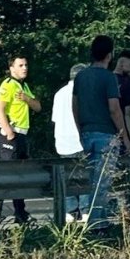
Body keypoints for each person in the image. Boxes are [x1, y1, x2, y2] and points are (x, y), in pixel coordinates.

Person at [73, 36, 130, 229]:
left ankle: (102, 221)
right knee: (102, 183)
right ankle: (96, 225)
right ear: (109, 55)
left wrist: (80, 128)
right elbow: (114, 109)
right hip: (106, 134)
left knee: (93, 181)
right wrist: (124, 136)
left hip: (86, 132)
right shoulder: (108, 77)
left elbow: (75, 105)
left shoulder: (81, 76)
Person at [0, 56, 42, 224]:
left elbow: (38, 107)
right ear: (12, 68)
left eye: (26, 65)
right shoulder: (8, 85)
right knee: (7, 173)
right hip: (10, 134)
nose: (24, 68)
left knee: (19, 175)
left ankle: (20, 213)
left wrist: (27, 99)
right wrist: (9, 132)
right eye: (20, 65)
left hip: (22, 135)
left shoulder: (24, 86)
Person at [53, 63, 88, 223]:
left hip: (63, 142)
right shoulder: (84, 92)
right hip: (80, 141)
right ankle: (86, 210)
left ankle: (70, 211)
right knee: (85, 176)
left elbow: (55, 120)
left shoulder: (59, 94)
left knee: (68, 177)